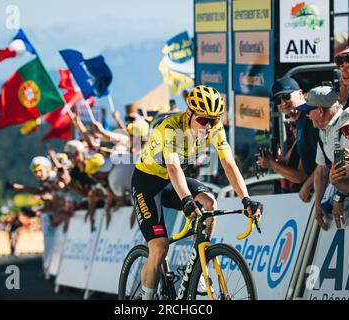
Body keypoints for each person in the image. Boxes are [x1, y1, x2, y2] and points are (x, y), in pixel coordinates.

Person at [131, 85, 263, 300]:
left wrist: (246, 199)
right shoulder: (171, 128)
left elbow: (229, 164)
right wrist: (187, 200)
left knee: (210, 202)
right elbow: (172, 167)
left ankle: (199, 269)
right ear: (189, 113)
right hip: (147, 183)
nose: (209, 126)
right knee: (159, 246)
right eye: (203, 120)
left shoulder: (215, 128)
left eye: (214, 120)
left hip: (173, 181)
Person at [297, 86, 349, 230]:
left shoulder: (346, 124)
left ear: (320, 111)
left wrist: (339, 197)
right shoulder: (324, 130)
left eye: (308, 111)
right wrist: (318, 203)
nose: (307, 116)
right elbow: (322, 168)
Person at [262, 77, 319, 202]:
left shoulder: (310, 119)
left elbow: (304, 174)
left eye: (287, 96)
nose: (283, 103)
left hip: (317, 196)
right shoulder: (300, 122)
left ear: (299, 93)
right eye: (278, 100)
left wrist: (273, 164)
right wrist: (277, 162)